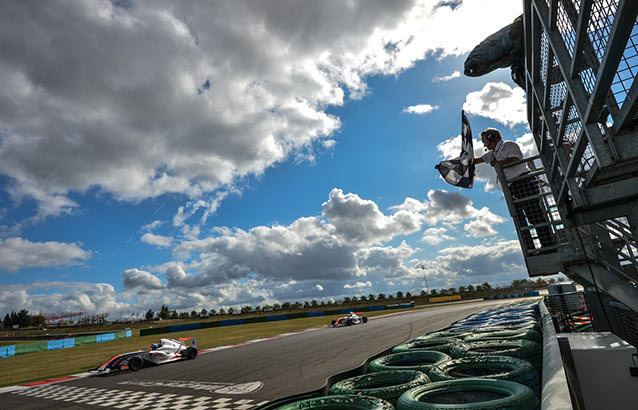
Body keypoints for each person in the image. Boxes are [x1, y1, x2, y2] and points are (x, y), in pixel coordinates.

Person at [475, 128, 555, 253]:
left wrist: (498, 163)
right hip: (513, 187)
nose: (484, 144)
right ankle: (532, 248)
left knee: (535, 215)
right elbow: (477, 160)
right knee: (521, 219)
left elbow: (514, 159)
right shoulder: (492, 154)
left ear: (492, 138)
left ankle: (549, 246)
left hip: (524, 182)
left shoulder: (509, 145)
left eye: (485, 141)